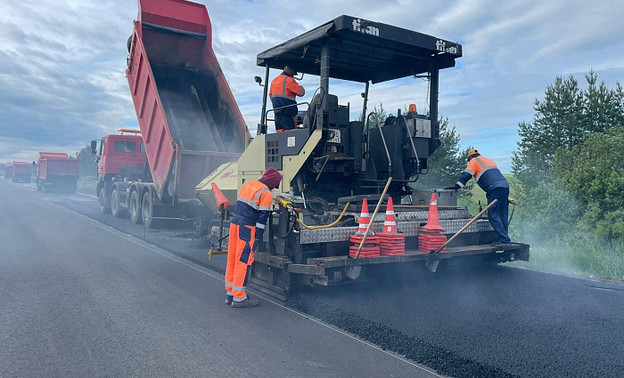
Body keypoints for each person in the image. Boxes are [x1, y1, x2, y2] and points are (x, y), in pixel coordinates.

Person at [225, 167, 282, 308]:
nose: (275, 187)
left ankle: (230, 294)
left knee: (232, 258)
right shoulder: (266, 193)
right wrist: (258, 235)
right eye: (276, 185)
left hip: (234, 225)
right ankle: (239, 298)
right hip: (247, 229)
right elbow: (262, 217)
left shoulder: (248, 184)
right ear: (273, 182)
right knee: (243, 261)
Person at [454, 149, 511, 245]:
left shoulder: (474, 161)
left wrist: (457, 186)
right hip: (505, 187)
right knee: (502, 214)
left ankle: (504, 239)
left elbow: (467, 174)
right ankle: (504, 239)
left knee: (493, 214)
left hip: (494, 189)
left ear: (470, 157)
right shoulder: (488, 160)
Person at [269, 66, 305, 132]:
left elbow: (271, 97)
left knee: (281, 135)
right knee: (292, 135)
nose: (293, 75)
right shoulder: (289, 80)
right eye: (293, 73)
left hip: (277, 114)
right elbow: (301, 92)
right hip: (288, 114)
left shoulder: (274, 80)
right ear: (290, 69)